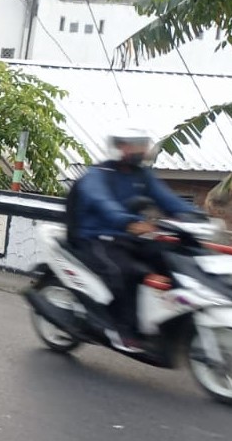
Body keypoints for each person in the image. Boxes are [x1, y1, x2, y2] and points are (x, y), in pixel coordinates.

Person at [69, 125, 202, 352]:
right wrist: (127, 221)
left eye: (144, 143)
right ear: (120, 146)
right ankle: (122, 329)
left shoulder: (142, 176)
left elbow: (167, 200)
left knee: (171, 258)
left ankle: (170, 323)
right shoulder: (98, 175)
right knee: (125, 272)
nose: (143, 149)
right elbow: (103, 203)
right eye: (137, 144)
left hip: (129, 237)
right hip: (97, 238)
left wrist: (196, 216)